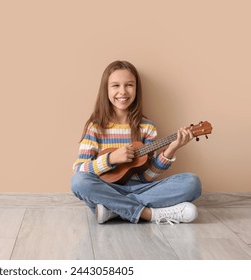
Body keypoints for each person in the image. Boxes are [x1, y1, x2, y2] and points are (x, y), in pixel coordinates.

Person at [71, 60, 201, 225]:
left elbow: (146, 178)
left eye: (129, 85)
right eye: (115, 85)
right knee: (79, 182)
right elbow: (79, 170)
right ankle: (149, 214)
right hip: (105, 189)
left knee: (192, 182)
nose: (122, 91)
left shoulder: (147, 127)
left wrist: (171, 150)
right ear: (106, 90)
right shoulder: (95, 127)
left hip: (139, 189)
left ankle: (113, 210)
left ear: (137, 89)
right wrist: (111, 159)